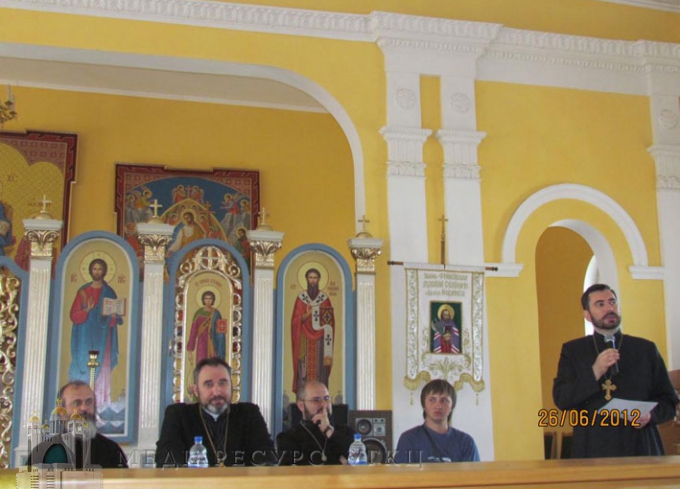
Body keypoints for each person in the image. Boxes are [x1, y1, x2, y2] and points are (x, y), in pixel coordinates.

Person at [553, 283, 679, 458]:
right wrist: (595, 371)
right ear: (587, 315)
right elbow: (562, 399)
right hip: (592, 446)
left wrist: (650, 416)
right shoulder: (573, 351)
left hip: (640, 445)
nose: (609, 308)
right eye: (600, 304)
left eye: (612, 302)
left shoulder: (645, 349)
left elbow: (669, 401)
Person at [155, 357, 276, 467]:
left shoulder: (248, 413)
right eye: (208, 384)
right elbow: (167, 459)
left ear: (231, 386)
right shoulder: (178, 415)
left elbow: (266, 456)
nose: (217, 391)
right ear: (196, 391)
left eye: (223, 383)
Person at [28, 380, 128, 468]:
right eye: (77, 403)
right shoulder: (43, 452)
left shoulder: (111, 450)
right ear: (62, 412)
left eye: (89, 402)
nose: (84, 408)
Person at [69, 258, 124, 406]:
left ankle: (101, 402)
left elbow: (112, 321)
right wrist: (86, 310)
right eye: (95, 269)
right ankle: (80, 402)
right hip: (85, 336)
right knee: (84, 365)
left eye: (100, 269)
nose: (97, 272)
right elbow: (74, 315)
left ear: (104, 271)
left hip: (103, 337)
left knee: (103, 366)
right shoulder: (83, 292)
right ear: (90, 271)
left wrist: (113, 316)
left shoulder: (109, 292)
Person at [395, 379, 479, 463]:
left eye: (444, 400)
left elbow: (473, 471)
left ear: (452, 406)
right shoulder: (409, 439)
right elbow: (403, 471)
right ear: (424, 405)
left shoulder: (466, 442)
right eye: (432, 400)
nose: (438, 406)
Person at [276, 380, 355, 465]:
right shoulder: (287, 438)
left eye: (327, 398)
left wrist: (329, 431)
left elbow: (359, 458)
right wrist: (340, 461)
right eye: (316, 400)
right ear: (301, 405)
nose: (324, 405)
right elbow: (298, 470)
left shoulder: (346, 432)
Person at [291, 268, 335, 392]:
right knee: (303, 367)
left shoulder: (324, 299)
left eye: (315, 278)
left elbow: (330, 321)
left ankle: (320, 392)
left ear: (319, 279)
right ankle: (303, 394)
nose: (313, 281)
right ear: (306, 279)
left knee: (319, 368)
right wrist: (306, 315)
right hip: (304, 339)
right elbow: (295, 321)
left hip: (320, 340)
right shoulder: (301, 299)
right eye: (310, 278)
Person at [186, 290, 227, 367]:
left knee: (214, 366)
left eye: (210, 299)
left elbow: (221, 331)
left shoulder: (216, 313)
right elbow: (193, 332)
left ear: (213, 300)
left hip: (213, 344)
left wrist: (220, 346)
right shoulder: (198, 313)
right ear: (203, 300)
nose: (208, 301)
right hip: (202, 343)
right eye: (206, 298)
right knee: (202, 366)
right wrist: (190, 350)